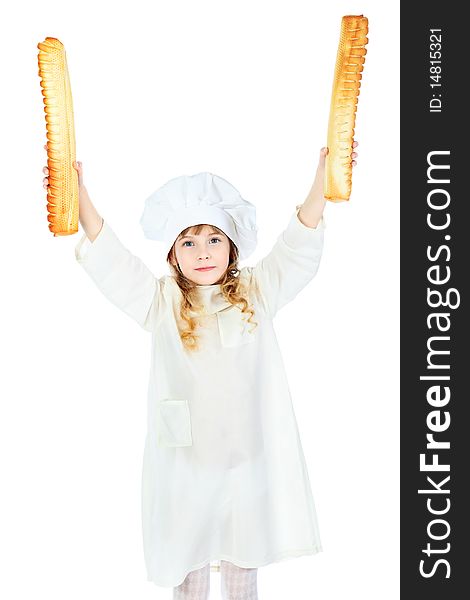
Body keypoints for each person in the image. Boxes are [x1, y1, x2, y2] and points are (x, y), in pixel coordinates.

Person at [42, 141, 359, 600]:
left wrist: (322, 178)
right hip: (186, 464)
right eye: (188, 242)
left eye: (213, 239)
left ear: (231, 247)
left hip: (245, 459)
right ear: (173, 255)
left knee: (240, 562)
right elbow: (113, 260)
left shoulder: (257, 292)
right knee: (186, 563)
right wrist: (80, 194)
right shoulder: (162, 303)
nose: (202, 252)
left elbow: (298, 242)